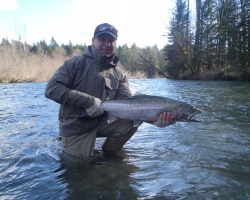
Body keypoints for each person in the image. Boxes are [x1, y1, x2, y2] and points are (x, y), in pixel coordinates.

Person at [45, 23, 175, 159]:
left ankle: (109, 153)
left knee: (131, 123)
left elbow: (129, 106)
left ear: (115, 43)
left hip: (104, 122)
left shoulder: (119, 73)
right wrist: (89, 101)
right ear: (93, 40)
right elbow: (52, 89)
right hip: (77, 126)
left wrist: (154, 119)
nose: (107, 44)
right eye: (102, 39)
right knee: (80, 167)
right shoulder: (75, 63)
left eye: (111, 41)